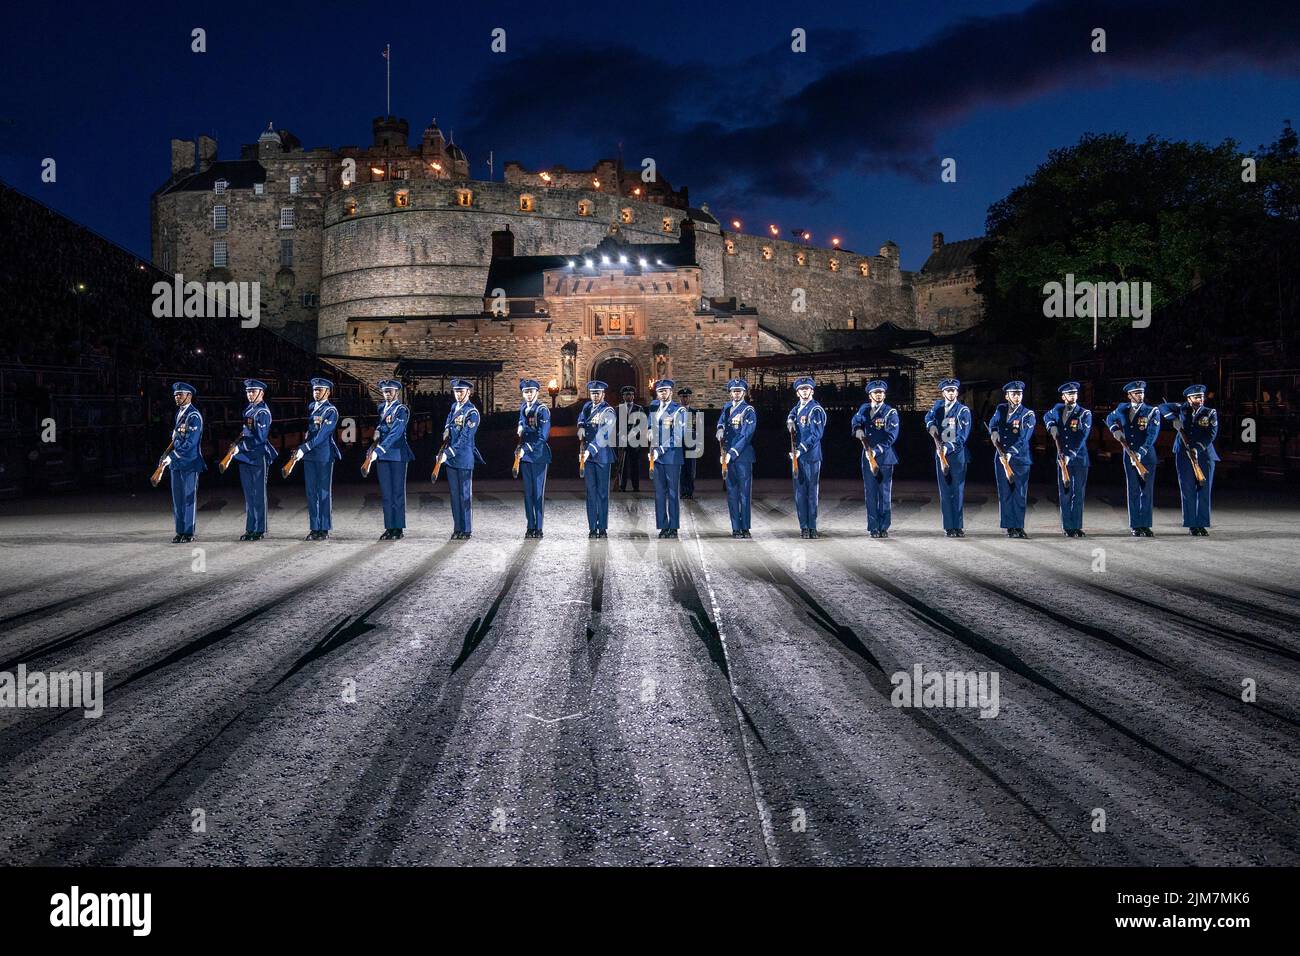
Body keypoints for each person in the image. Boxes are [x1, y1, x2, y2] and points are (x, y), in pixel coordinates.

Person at [1160, 384, 1219, 535]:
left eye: (1202, 396)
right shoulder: (1182, 408)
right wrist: (1174, 420)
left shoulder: (1210, 412)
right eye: (1197, 397)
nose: (1200, 399)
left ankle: (1202, 524)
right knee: (1187, 489)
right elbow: (1162, 407)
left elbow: (1211, 434)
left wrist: (1197, 448)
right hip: (1183, 453)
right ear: (1189, 398)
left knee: (1203, 489)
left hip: (1205, 454)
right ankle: (1192, 524)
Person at [1104, 380, 1160, 537]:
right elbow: (1109, 418)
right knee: (1133, 490)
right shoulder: (1122, 408)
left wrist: (1141, 452)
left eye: (1141, 393)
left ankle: (1146, 525)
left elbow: (1152, 434)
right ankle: (1136, 525)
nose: (1140, 396)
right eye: (1136, 393)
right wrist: (1115, 430)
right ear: (1129, 395)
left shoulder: (1151, 411)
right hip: (1128, 455)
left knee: (1146, 491)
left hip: (1147, 456)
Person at [291, 377, 341, 541]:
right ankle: (314, 528)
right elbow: (310, 431)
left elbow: (322, 435)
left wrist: (304, 448)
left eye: (319, 390)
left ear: (328, 392)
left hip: (323, 455)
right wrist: (302, 448)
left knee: (323, 492)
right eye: (314, 390)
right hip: (310, 455)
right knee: (311, 493)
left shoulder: (331, 411)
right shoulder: (312, 407)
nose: (316, 392)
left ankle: (324, 528)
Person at [850, 380, 900, 538]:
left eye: (881, 392)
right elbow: (855, 421)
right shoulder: (864, 409)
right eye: (876, 392)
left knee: (884, 493)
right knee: (870, 494)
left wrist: (876, 450)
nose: (879, 395)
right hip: (867, 457)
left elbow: (892, 435)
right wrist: (857, 430)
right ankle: (873, 527)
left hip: (884, 458)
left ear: (884, 395)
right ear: (870, 395)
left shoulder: (890, 412)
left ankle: (884, 526)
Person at [1043, 381, 1092, 537]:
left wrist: (1070, 454)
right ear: (1063, 396)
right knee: (1065, 493)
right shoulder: (1057, 409)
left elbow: (1082, 437)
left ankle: (1077, 526)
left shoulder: (1084, 413)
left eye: (1075, 393)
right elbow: (1047, 416)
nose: (1073, 396)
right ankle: (1067, 527)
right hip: (1062, 458)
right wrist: (1051, 426)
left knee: (1078, 493)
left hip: (1079, 459)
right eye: (1070, 394)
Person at [158, 381, 205, 543]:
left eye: (180, 394)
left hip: (189, 462)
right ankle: (180, 531)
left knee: (188, 498)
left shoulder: (194, 415)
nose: (177, 397)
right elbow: (177, 439)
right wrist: (167, 455)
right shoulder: (180, 413)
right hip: (177, 462)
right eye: (175, 395)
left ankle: (188, 532)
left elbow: (191, 443)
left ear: (189, 396)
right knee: (177, 498)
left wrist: (172, 456)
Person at [924, 379, 972, 537]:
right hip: (941, 454)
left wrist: (947, 447)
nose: (951, 393)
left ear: (957, 393)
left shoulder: (962, 410)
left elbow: (962, 436)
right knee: (945, 492)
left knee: (957, 491)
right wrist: (931, 425)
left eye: (953, 390)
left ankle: (958, 526)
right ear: (943, 393)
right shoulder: (938, 407)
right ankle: (948, 527)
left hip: (956, 456)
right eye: (948, 390)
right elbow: (928, 418)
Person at [988, 380, 1036, 538]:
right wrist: (994, 434)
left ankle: (1019, 526)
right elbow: (993, 424)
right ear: (1007, 396)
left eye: (1020, 394)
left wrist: (1010, 453)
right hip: (1001, 458)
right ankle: (1009, 526)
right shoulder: (1000, 409)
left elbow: (1024, 438)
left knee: (1019, 493)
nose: (1017, 397)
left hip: (1019, 459)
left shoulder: (1028, 414)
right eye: (1014, 394)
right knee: (1005, 493)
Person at [370, 378, 414, 540]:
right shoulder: (381, 408)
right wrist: (376, 432)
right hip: (382, 455)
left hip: (397, 455)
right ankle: (389, 527)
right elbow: (382, 427)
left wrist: (379, 449)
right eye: (385, 391)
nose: (387, 394)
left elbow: (396, 432)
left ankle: (398, 528)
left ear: (396, 392)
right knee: (386, 494)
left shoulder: (402, 410)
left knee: (397, 493)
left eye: (390, 391)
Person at [439, 378, 483, 540]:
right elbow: (449, 421)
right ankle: (457, 527)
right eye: (456, 391)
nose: (458, 394)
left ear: (468, 393)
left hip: (463, 458)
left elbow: (465, 438)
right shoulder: (454, 407)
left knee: (464, 495)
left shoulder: (472, 412)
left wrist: (448, 453)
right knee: (454, 494)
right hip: (451, 459)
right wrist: (446, 429)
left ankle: (466, 529)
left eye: (461, 391)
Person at [233, 378, 275, 541]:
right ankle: (250, 528)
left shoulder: (263, 412)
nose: (250, 394)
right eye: (248, 392)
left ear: (261, 393)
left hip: (258, 455)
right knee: (249, 494)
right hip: (246, 457)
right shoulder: (248, 410)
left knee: (258, 493)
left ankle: (259, 529)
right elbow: (246, 433)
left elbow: (260, 438)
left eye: (253, 391)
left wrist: (240, 447)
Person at [787, 376, 826, 538]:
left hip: (810, 456)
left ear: (812, 391)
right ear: (797, 393)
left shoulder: (816, 410)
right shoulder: (798, 407)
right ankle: (803, 526)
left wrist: (800, 450)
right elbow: (793, 413)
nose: (804, 391)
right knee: (799, 494)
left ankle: (812, 527)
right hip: (798, 457)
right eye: (801, 389)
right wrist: (789, 420)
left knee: (811, 493)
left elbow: (816, 435)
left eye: (807, 389)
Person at [717, 378, 756, 538]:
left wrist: (732, 452)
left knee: (744, 493)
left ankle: (745, 526)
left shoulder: (749, 410)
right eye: (733, 391)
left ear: (744, 393)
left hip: (742, 456)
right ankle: (736, 527)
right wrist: (719, 429)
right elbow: (721, 422)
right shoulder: (727, 407)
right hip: (727, 456)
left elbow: (746, 435)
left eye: (739, 391)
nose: (736, 393)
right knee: (732, 493)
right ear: (730, 393)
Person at [648, 379, 687, 538]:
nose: (662, 394)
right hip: (656, 458)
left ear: (671, 392)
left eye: (665, 391)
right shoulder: (655, 409)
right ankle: (663, 525)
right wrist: (649, 430)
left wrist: (660, 450)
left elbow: (677, 437)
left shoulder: (679, 411)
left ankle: (673, 526)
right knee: (659, 493)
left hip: (671, 457)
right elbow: (652, 426)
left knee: (672, 493)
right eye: (659, 391)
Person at [578, 381, 615, 538]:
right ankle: (592, 527)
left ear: (603, 394)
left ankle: (603, 527)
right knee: (590, 493)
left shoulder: (609, 411)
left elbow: (604, 435)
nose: (595, 396)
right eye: (593, 393)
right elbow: (581, 417)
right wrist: (580, 426)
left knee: (602, 494)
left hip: (602, 457)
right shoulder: (587, 407)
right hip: (588, 458)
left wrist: (589, 451)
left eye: (598, 393)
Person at [516, 378, 551, 538]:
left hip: (538, 456)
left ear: (537, 392)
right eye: (525, 392)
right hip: (524, 456)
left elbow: (542, 436)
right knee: (528, 493)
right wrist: (520, 426)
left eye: (531, 391)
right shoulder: (523, 407)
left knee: (538, 493)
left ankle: (539, 527)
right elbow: (522, 420)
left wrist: (527, 449)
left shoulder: (542, 410)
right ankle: (530, 525)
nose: (528, 394)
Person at [614, 385, 644, 492]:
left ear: (634, 396)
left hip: (634, 441)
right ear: (623, 396)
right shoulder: (618, 409)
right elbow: (615, 425)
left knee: (634, 465)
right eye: (627, 395)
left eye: (631, 394)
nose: (629, 396)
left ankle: (636, 486)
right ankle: (622, 486)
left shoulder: (639, 409)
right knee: (622, 465)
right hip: (622, 441)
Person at [678, 386, 697, 499]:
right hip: (679, 444)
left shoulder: (695, 412)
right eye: (683, 397)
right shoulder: (675, 413)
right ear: (679, 398)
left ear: (690, 398)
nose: (685, 399)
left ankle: (689, 492)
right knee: (680, 469)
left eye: (687, 397)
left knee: (690, 470)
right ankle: (682, 491)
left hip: (691, 445)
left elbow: (698, 430)